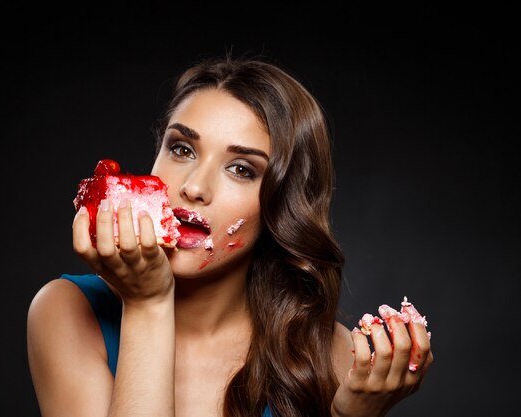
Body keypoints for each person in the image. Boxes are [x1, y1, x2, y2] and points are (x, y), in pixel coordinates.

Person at [27, 52, 434, 417]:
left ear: (281, 205)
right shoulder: (68, 313)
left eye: (241, 169)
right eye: (182, 149)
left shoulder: (330, 353)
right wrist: (148, 303)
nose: (194, 187)